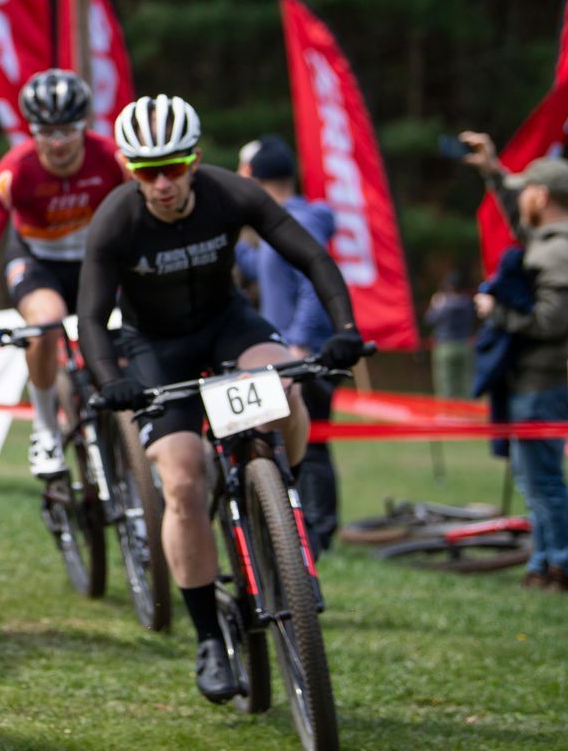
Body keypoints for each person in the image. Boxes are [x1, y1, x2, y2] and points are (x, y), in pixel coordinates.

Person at [79, 95, 363, 704]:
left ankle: (279, 498)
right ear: (129, 169)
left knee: (282, 389)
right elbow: (93, 318)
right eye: (146, 171)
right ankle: (210, 636)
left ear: (195, 159)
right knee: (182, 480)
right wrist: (109, 380)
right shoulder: (116, 220)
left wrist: (344, 329)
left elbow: (311, 256)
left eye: (173, 167)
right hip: (156, 347)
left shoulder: (231, 193)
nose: (161, 183)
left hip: (228, 325)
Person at [459, 135, 568, 591]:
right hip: (539, 377)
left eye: (526, 190)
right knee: (534, 478)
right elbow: (522, 221)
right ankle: (544, 563)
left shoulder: (560, 252)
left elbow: (549, 321)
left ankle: (563, 567)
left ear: (541, 197)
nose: (520, 197)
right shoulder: (553, 240)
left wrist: (495, 312)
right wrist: (494, 172)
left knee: (543, 481)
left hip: (544, 380)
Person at [0, 69, 127, 477]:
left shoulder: (110, 157)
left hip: (96, 263)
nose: (57, 143)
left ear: (84, 125)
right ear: (31, 130)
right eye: (45, 132)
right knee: (45, 323)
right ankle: (46, 427)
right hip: (39, 265)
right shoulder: (15, 168)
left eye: (67, 131)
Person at [231, 134, 342, 553]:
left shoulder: (301, 221)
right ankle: (296, 527)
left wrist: (299, 342)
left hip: (303, 354)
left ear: (255, 178)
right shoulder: (273, 223)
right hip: (277, 353)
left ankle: (318, 532)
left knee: (311, 445)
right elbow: (259, 268)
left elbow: (316, 283)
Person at [424, 269, 477, 400]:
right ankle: (468, 409)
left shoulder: (443, 303)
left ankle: (447, 411)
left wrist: (435, 305)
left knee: (445, 385)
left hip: (445, 346)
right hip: (465, 344)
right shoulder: (467, 302)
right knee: (466, 383)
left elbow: (429, 319)